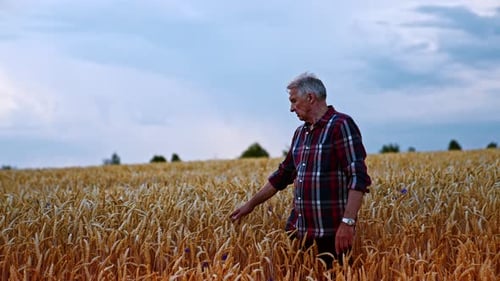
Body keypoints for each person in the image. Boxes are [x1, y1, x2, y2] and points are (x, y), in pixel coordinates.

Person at [230, 72, 371, 268]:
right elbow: (283, 175)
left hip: (331, 234)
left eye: (294, 101)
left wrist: (347, 223)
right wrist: (250, 204)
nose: (291, 108)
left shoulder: (341, 125)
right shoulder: (301, 133)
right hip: (299, 232)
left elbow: (358, 178)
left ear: (310, 98)